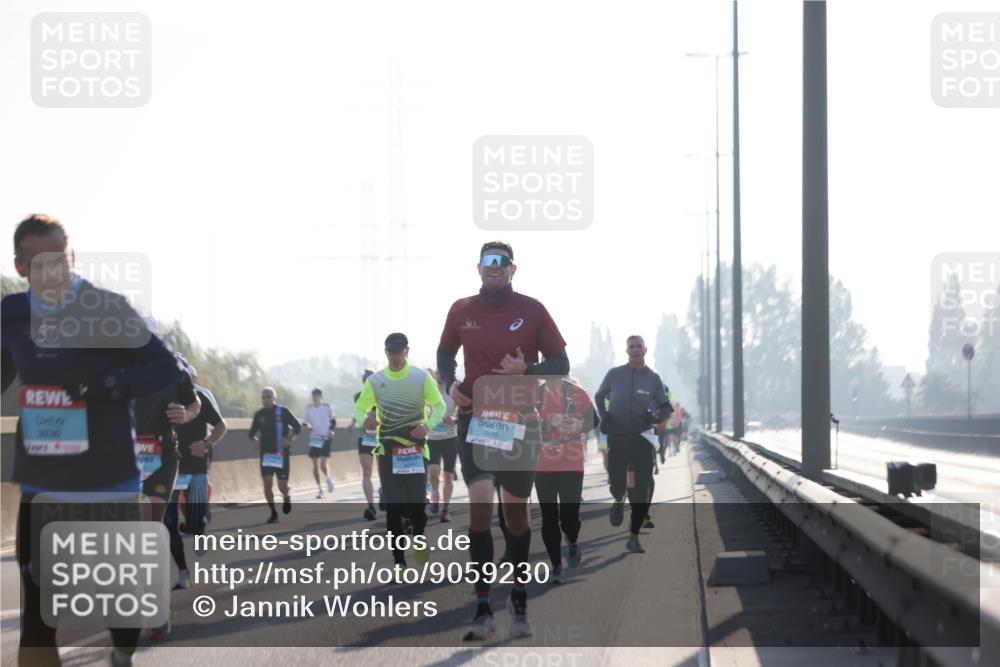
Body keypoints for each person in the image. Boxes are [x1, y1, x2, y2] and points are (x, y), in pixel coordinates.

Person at [2, 214, 186, 667]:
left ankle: (122, 654)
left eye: (61, 262)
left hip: (109, 478)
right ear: (21, 267)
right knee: (39, 617)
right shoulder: (10, 314)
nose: (54, 274)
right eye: (41, 264)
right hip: (42, 481)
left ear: (73, 258)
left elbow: (168, 369)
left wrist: (112, 382)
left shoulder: (107, 308)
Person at [437, 240, 569, 640]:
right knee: (479, 507)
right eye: (487, 261)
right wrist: (451, 385)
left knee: (514, 516)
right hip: (476, 421)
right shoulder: (461, 309)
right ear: (478, 268)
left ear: (513, 268)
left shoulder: (532, 309)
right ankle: (481, 609)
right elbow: (444, 353)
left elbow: (562, 365)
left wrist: (527, 369)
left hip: (520, 423)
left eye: (501, 262)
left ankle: (518, 596)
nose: (494, 267)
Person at [354, 333, 445, 574]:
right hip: (388, 450)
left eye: (398, 351)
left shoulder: (420, 377)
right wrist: (365, 421)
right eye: (390, 352)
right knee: (393, 509)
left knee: (416, 509)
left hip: (415, 449)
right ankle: (399, 561)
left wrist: (427, 425)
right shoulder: (376, 381)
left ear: (407, 350)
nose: (394, 357)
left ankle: (420, 537)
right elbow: (359, 408)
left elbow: (440, 406)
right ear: (386, 353)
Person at [595, 335, 672, 554]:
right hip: (618, 437)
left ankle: (633, 536)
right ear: (627, 351)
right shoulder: (615, 374)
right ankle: (618, 499)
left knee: (642, 486)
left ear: (645, 350)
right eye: (631, 347)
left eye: (639, 346)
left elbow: (665, 406)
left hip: (642, 438)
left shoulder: (653, 378)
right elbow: (599, 396)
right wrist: (604, 416)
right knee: (618, 484)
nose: (635, 350)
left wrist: (657, 419)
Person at [166, 366, 228, 587]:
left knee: (194, 521)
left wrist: (206, 444)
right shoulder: (161, 397)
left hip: (196, 468)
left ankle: (197, 529)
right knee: (168, 522)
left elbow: (221, 426)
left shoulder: (200, 398)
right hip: (170, 469)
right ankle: (183, 572)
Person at [534, 376, 595, 584]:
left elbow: (594, 419)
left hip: (571, 463)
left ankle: (573, 539)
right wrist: (550, 421)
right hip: (542, 465)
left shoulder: (578, 392)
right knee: (548, 517)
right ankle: (556, 565)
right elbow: (523, 423)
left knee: (570, 517)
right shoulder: (534, 394)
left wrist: (579, 425)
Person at [249, 387, 301, 523]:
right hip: (266, 456)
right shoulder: (259, 415)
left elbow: (297, 427)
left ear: (274, 398)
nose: (266, 399)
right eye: (264, 397)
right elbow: (251, 432)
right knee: (267, 484)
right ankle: (273, 513)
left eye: (269, 397)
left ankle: (286, 495)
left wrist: (288, 439)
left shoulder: (283, 412)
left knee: (282, 486)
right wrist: (253, 440)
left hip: (281, 455)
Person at [426, 368, 458, 522]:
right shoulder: (428, 394)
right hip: (432, 439)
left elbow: (464, 414)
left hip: (450, 439)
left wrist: (455, 420)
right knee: (433, 470)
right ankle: (434, 493)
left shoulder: (454, 394)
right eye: (438, 373)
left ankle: (445, 509)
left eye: (442, 373)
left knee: (448, 476)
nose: (440, 376)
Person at [353, 369, 379, 520]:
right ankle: (371, 506)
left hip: (380, 437)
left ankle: (384, 492)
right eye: (365, 381)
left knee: (384, 472)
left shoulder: (382, 396)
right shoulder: (358, 396)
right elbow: (360, 414)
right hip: (365, 437)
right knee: (366, 472)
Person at [302, 388, 336, 498]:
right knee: (315, 465)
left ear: (320, 396)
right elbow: (304, 423)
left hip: (326, 437)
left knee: (322, 465)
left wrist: (331, 430)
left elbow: (333, 421)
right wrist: (301, 428)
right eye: (313, 395)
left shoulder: (327, 407)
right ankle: (320, 489)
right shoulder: (309, 409)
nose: (314, 397)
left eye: (316, 395)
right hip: (315, 438)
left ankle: (328, 479)